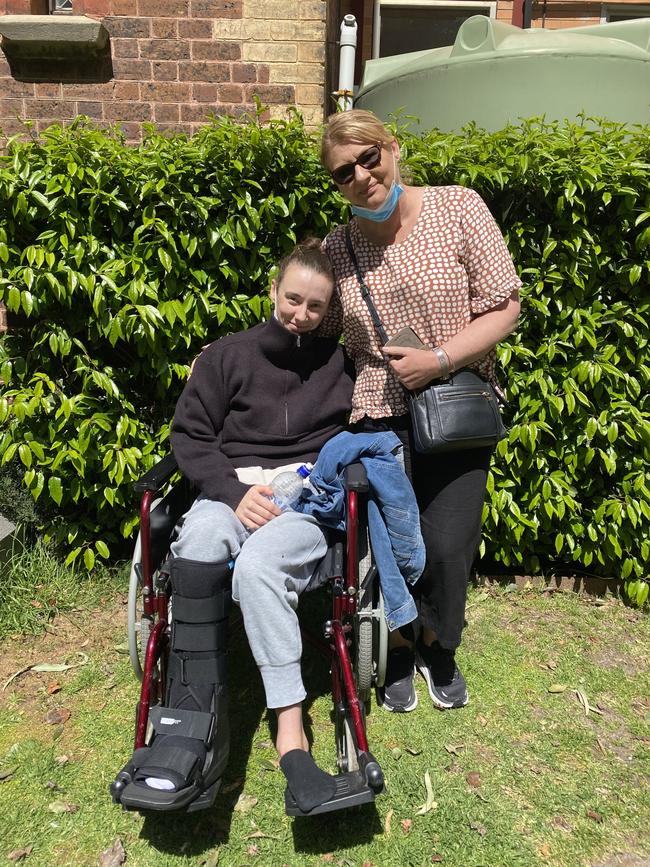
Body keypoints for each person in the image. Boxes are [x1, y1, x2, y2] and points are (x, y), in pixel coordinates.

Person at [115, 239, 354, 815]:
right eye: (292, 299)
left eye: (314, 307)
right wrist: (232, 493)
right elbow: (191, 437)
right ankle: (189, 721)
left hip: (302, 496)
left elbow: (364, 434)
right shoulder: (226, 356)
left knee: (258, 566)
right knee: (198, 539)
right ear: (273, 291)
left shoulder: (341, 366)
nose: (300, 314)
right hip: (229, 486)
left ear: (328, 312)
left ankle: (290, 735)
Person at [320, 109, 521, 713]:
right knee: (393, 542)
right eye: (342, 172)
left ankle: (439, 643)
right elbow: (317, 332)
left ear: (393, 149)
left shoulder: (459, 207)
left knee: (450, 541)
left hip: (454, 404)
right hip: (377, 414)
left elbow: (504, 307)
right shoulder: (339, 246)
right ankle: (401, 646)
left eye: (368, 157)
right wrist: (227, 357)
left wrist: (438, 359)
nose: (359, 176)